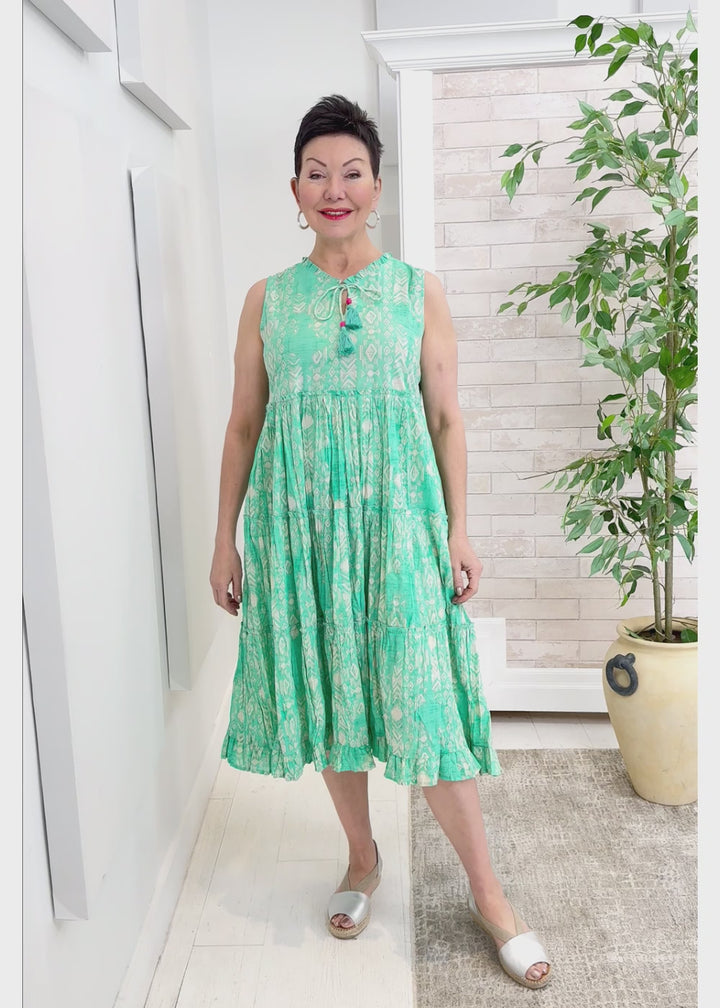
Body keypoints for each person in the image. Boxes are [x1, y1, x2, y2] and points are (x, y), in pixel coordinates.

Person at [209, 94, 551, 989]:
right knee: (334, 696)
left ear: (377, 186)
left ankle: (489, 894)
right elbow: (243, 425)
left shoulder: (415, 290)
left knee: (423, 701)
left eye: (351, 172)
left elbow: (445, 416)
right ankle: (362, 859)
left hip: (399, 526)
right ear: (295, 189)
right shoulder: (266, 300)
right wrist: (224, 539)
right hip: (299, 529)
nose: (335, 188)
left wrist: (459, 528)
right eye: (317, 173)